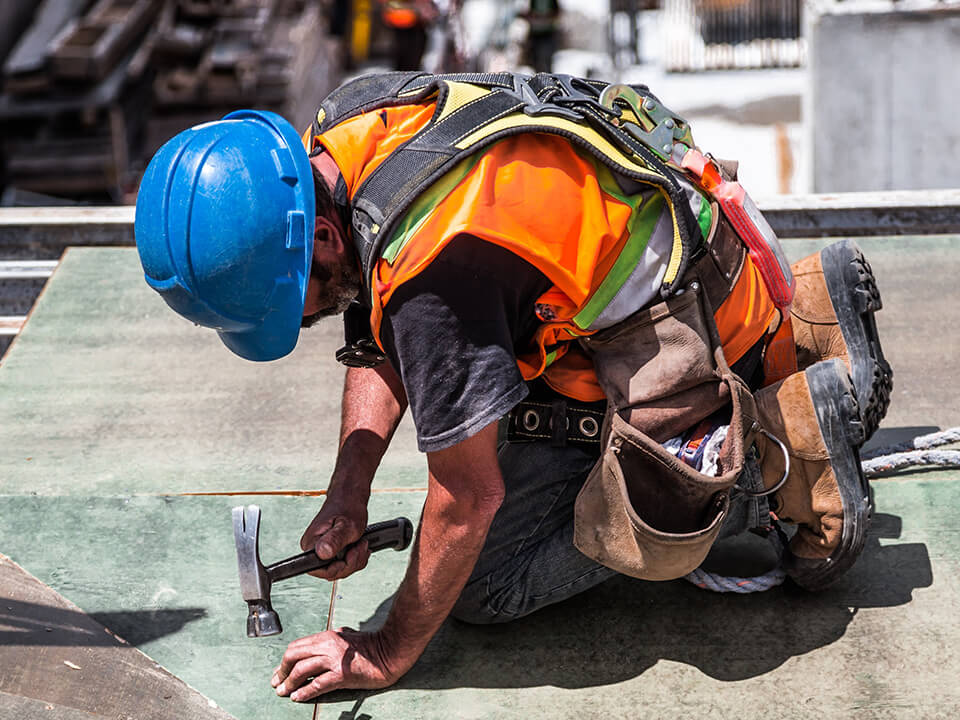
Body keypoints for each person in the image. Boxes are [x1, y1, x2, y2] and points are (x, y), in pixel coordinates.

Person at [133, 71, 891, 701]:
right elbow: (376, 319)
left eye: (287, 304)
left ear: (322, 236)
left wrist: (386, 650)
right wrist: (349, 490)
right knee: (475, 415)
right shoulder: (350, 127)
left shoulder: (437, 274)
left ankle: (775, 453)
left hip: (691, 340)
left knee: (486, 585)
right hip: (701, 260)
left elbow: (467, 499)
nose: (296, 326)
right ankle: (811, 318)